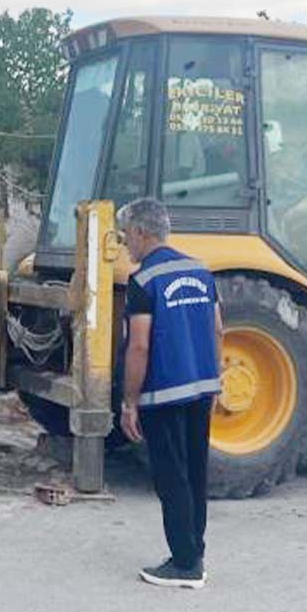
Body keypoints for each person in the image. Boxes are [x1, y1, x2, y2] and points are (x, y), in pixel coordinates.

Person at [116, 197, 223, 590]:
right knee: (196, 473)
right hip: (201, 390)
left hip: (164, 394)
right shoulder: (201, 271)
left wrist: (130, 402)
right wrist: (217, 378)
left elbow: (139, 346)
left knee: (171, 476)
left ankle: (184, 565)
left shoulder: (143, 281)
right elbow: (217, 329)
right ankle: (195, 551)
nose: (126, 244)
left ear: (142, 233)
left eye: (127, 235)